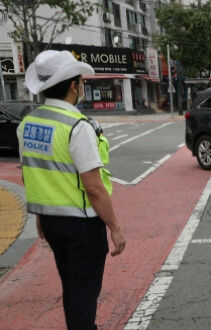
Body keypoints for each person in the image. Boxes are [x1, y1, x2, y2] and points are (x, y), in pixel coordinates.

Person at [17, 50, 126, 329]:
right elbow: (94, 188)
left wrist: (42, 216)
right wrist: (114, 226)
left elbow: (34, 175)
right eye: (80, 81)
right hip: (82, 226)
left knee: (72, 289)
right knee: (83, 295)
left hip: (51, 224)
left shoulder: (28, 124)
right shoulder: (77, 125)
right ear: (74, 86)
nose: (82, 86)